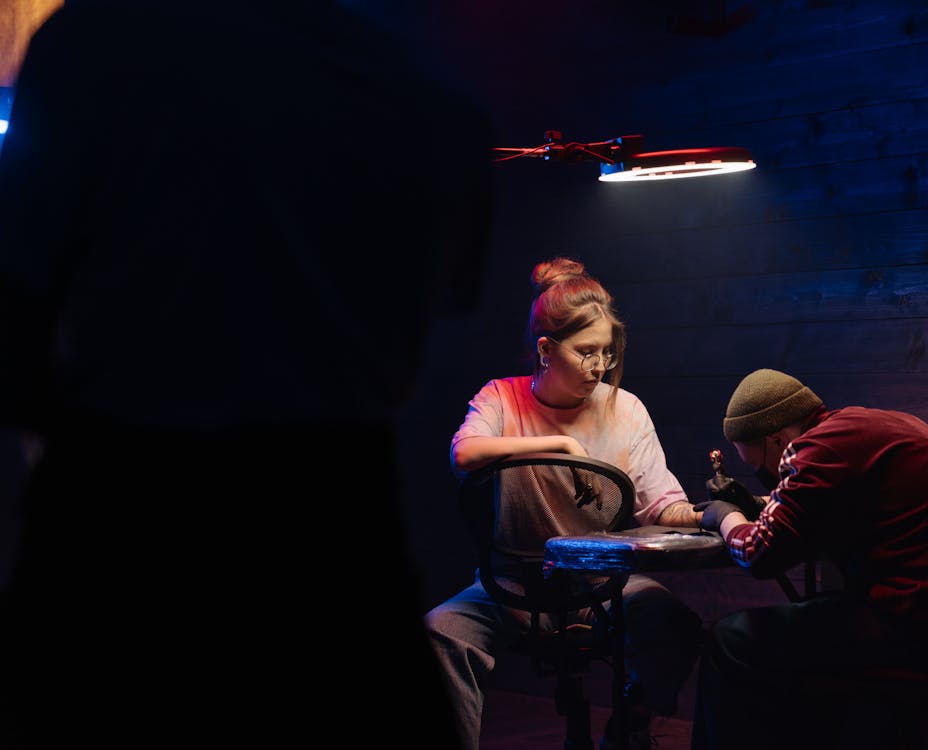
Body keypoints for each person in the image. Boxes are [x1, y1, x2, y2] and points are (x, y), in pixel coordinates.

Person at [0, 2, 492, 747]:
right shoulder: (419, 78)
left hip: (116, 514)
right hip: (334, 520)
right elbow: (451, 294)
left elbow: (15, 295)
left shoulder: (95, 39)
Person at [426, 257, 704, 750]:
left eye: (608, 353)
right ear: (546, 349)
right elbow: (464, 453)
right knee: (440, 635)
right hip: (512, 584)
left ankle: (630, 726)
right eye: (586, 352)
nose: (600, 367)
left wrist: (714, 516)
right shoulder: (501, 399)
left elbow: (661, 502)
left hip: (604, 582)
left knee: (671, 622)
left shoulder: (626, 409)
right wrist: (561, 446)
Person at [689, 369, 928, 750]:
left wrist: (725, 516)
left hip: (910, 619)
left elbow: (757, 555)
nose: (764, 476)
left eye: (758, 464)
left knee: (730, 639)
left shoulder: (815, 448)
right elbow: (823, 508)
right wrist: (762, 506)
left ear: (778, 440)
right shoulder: (857, 428)